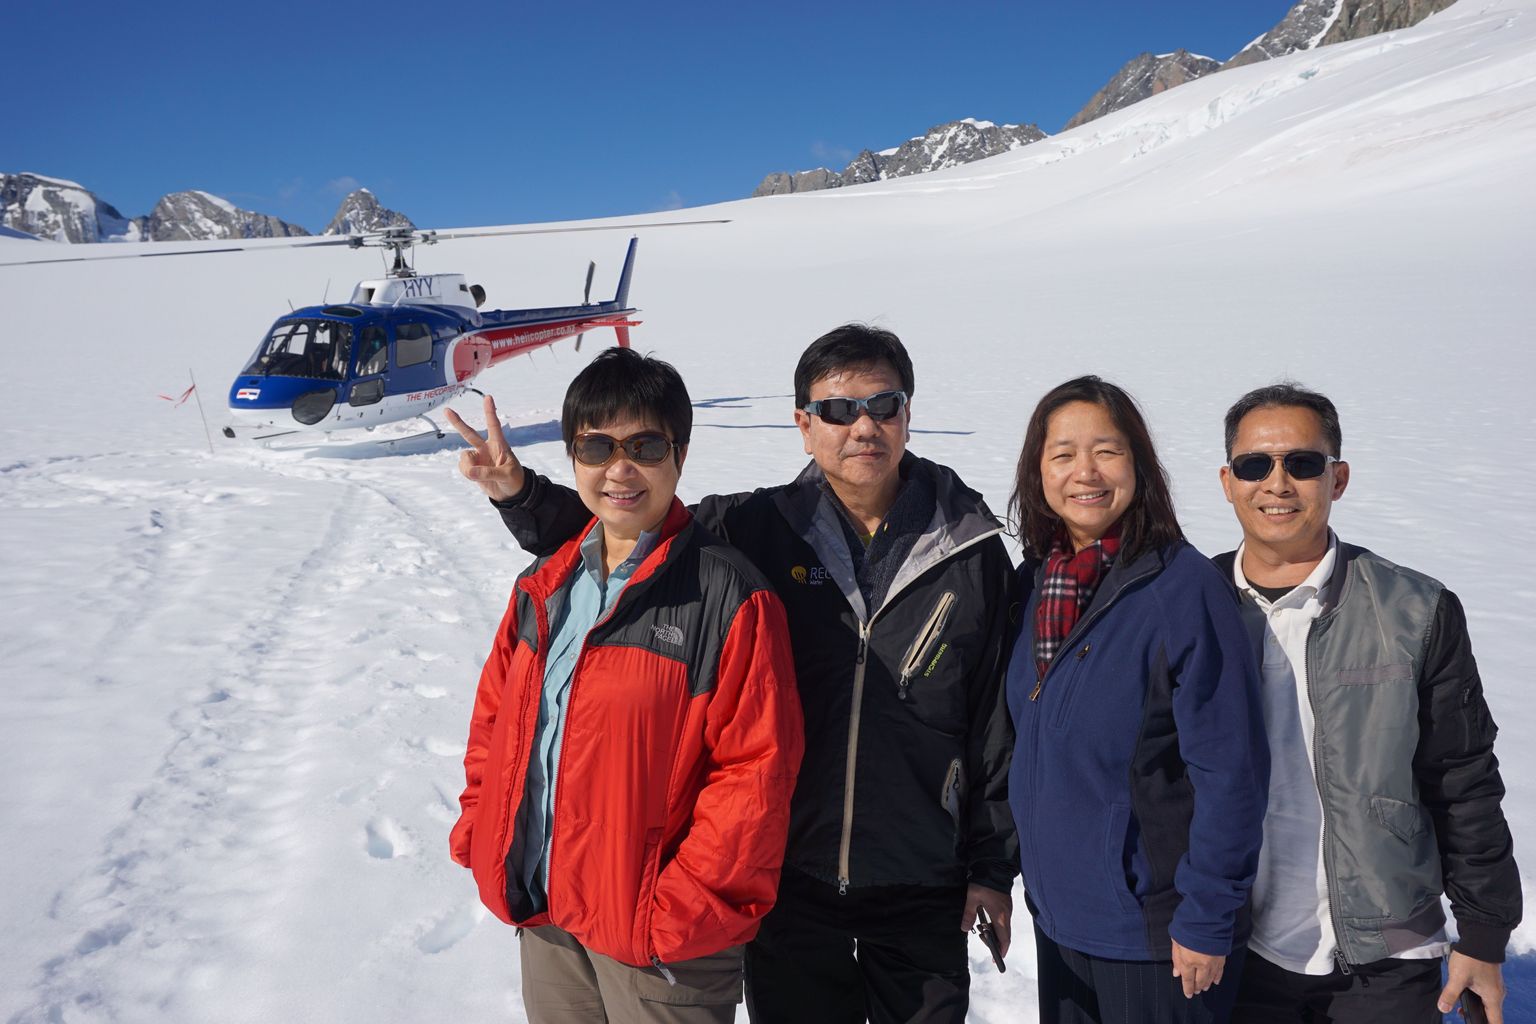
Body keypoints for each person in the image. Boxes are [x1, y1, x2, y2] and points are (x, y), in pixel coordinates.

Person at [447, 325, 1018, 1024]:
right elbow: (631, 530)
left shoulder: (971, 553)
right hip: (792, 881)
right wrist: (521, 495)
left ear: (907, 414)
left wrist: (991, 868)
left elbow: (997, 720)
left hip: (920, 871)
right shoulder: (755, 528)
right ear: (804, 426)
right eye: (838, 410)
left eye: (883, 405)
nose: (862, 425)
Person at [448, 347, 804, 1023]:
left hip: (660, 944)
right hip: (545, 912)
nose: (620, 468)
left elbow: (756, 777)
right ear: (572, 457)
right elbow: (494, 726)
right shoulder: (544, 586)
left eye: (644, 444)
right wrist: (481, 828)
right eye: (596, 446)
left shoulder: (727, 597)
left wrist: (674, 912)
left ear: (680, 454)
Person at [1214, 383, 1521, 1023]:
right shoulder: (1191, 606)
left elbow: (1461, 778)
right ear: (1228, 481)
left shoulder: (1414, 610)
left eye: (1302, 463)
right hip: (1232, 952)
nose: (1277, 483)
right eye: (1254, 465)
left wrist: (1484, 932)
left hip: (1387, 957)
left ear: (1338, 477)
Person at [1004, 376, 1269, 1023]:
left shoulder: (1183, 592)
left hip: (1158, 936)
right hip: (1065, 923)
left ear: (1139, 464)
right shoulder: (1038, 583)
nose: (1085, 472)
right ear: (1038, 470)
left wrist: (1207, 915)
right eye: (1062, 454)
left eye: (1107, 451)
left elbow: (1232, 771)